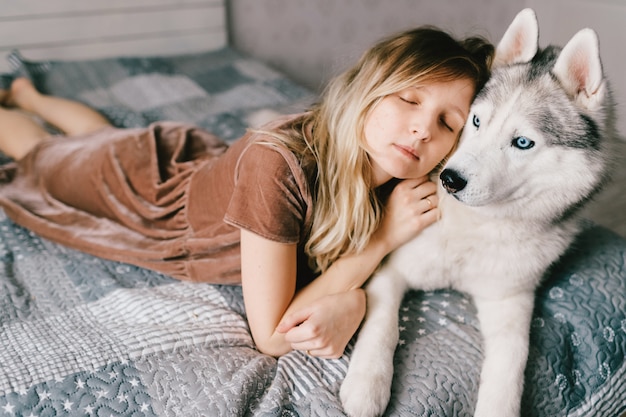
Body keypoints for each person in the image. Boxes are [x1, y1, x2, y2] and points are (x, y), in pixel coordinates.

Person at [0, 26, 493, 358]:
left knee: (98, 137)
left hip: (191, 164)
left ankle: (27, 93)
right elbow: (272, 334)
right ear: (368, 89)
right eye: (409, 99)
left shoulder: (408, 181)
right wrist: (378, 247)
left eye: (447, 123)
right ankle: (22, 101)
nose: (422, 130)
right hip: (143, 191)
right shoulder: (277, 167)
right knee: (40, 154)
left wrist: (359, 294)